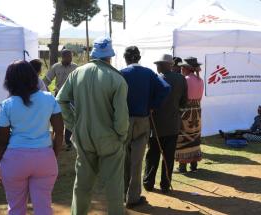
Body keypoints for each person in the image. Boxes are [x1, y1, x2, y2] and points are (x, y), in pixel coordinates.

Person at [56, 37, 129, 215]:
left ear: (93, 54)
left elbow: (60, 100)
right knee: (114, 188)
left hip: (83, 138)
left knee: (81, 186)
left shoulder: (77, 73)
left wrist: (73, 125)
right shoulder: (117, 79)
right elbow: (121, 117)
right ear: (110, 56)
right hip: (110, 139)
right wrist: (121, 135)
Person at [0, 60, 64, 215]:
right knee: (44, 207)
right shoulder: (49, 98)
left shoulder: (7, 104)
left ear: (10, 80)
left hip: (14, 161)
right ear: (33, 76)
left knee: (16, 208)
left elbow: (2, 140)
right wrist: (53, 155)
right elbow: (59, 131)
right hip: (44, 158)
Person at [121, 46, 170, 208]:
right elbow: (165, 88)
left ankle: (122, 194)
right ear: (139, 57)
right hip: (142, 119)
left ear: (126, 58)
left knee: (124, 159)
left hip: (124, 120)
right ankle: (133, 197)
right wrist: (152, 105)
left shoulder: (121, 73)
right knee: (137, 161)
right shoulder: (148, 73)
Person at [143, 54, 187, 193]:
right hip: (173, 124)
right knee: (168, 156)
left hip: (155, 125)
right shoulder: (180, 79)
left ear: (165, 65)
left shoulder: (155, 79)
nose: (157, 66)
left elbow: (149, 102)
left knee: (153, 155)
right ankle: (165, 184)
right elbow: (184, 102)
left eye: (158, 64)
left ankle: (148, 183)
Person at [43, 49, 77, 151]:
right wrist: (47, 92)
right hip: (59, 96)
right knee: (58, 118)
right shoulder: (56, 67)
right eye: (68, 57)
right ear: (62, 57)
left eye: (71, 56)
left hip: (72, 97)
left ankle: (69, 142)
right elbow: (46, 81)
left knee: (70, 119)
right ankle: (56, 140)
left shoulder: (75, 67)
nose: (70, 59)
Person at [175, 57, 204, 173]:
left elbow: (180, 97)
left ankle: (182, 167)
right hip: (196, 112)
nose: (181, 69)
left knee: (183, 137)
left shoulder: (184, 80)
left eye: (182, 67)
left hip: (185, 112)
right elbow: (199, 98)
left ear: (186, 68)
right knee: (194, 137)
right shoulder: (200, 80)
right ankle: (194, 165)